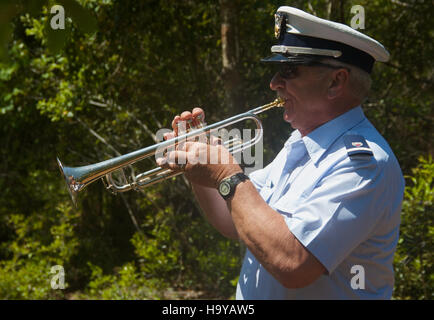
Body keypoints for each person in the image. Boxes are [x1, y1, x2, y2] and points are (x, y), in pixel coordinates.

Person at [157, 6, 405, 299]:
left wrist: (226, 175)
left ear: (336, 82)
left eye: (289, 71)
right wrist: (198, 164)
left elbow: (292, 263)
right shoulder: (300, 143)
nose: (274, 83)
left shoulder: (363, 164)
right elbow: (234, 222)